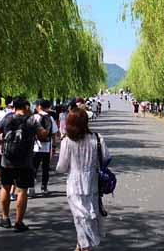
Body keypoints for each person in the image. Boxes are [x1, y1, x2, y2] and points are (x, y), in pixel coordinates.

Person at [0, 97, 48, 232]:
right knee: (22, 190)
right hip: (25, 161)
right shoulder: (32, 120)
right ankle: (19, 222)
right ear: (26, 107)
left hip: (7, 160)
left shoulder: (7, 118)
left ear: (14, 107)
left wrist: (0, 143)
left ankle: (5, 218)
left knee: (5, 188)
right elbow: (43, 135)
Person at [57, 107, 110, 250]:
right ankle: (80, 246)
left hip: (74, 184)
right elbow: (105, 158)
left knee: (80, 217)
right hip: (92, 183)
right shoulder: (97, 138)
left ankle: (86, 247)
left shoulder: (67, 141)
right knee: (87, 216)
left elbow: (61, 167)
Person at [32, 100, 59, 196]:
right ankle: (44, 187)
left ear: (39, 106)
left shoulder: (34, 117)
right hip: (47, 147)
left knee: (33, 167)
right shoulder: (50, 117)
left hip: (35, 147)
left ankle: (31, 187)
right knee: (45, 168)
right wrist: (54, 146)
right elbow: (54, 133)